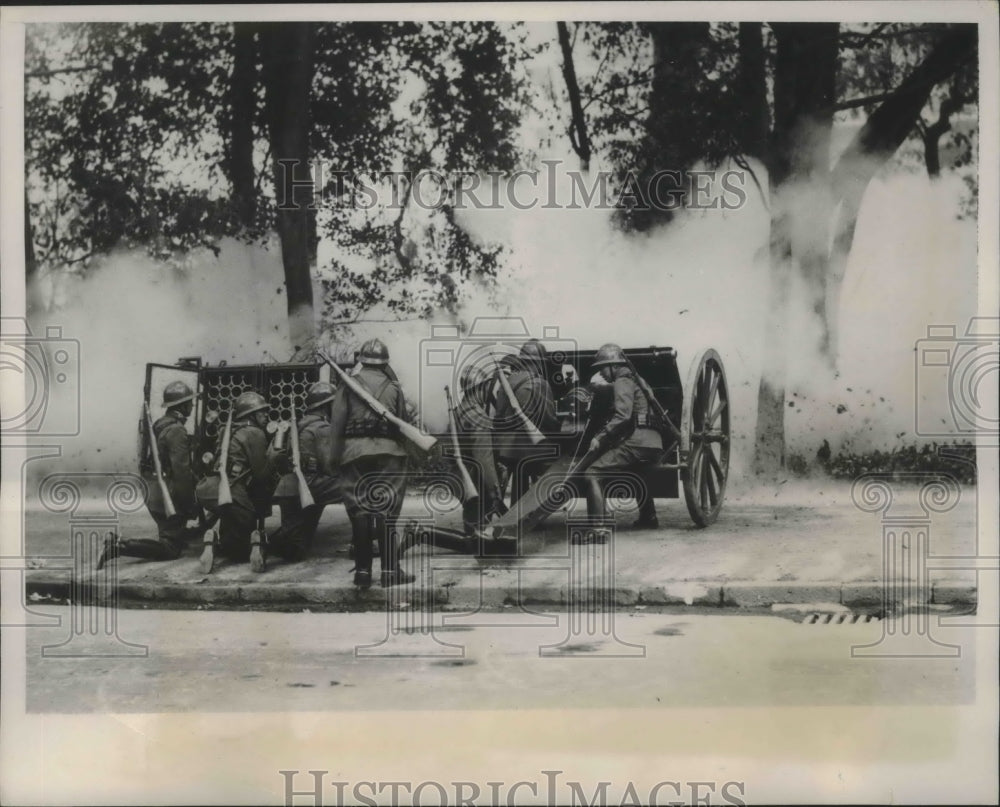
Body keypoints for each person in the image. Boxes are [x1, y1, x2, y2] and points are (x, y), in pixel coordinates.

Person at [330, 338, 415, 589]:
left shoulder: (348, 385)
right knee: (386, 511)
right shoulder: (394, 388)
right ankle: (390, 572)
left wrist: (333, 459)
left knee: (360, 510)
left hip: (355, 454)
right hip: (389, 454)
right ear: (385, 363)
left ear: (361, 361)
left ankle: (363, 573)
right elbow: (403, 424)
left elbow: (336, 426)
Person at [98, 381, 201, 569]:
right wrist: (189, 504)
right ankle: (119, 546)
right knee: (170, 548)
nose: (192, 406)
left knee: (174, 534)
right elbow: (182, 474)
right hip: (165, 494)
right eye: (190, 402)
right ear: (183, 405)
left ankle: (177, 535)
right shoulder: (177, 430)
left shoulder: (161, 424)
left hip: (152, 490)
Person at [580, 343, 664, 542]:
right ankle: (649, 516)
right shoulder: (637, 379)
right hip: (653, 442)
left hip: (638, 441)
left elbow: (623, 416)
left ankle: (598, 530)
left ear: (613, 366)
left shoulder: (622, 380)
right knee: (637, 470)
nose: (602, 373)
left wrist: (599, 437)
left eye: (603, 368)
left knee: (592, 473)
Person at [200, 391, 289, 573]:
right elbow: (262, 475)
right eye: (262, 412)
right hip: (233, 491)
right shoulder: (254, 433)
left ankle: (213, 538)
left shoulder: (227, 428)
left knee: (231, 520)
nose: (266, 415)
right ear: (252, 415)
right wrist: (274, 456)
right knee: (241, 546)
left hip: (208, 488)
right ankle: (251, 543)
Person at [267, 381, 342, 562]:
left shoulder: (295, 426)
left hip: (289, 487)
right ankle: (364, 541)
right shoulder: (322, 428)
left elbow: (273, 457)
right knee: (357, 486)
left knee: (296, 550)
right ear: (326, 407)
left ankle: (263, 543)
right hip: (310, 486)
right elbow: (331, 467)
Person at [493, 339, 559, 505]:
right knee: (562, 456)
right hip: (527, 449)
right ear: (538, 364)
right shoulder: (540, 383)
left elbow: (499, 413)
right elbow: (550, 420)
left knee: (522, 466)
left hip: (505, 449)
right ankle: (535, 506)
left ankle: (519, 508)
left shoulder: (506, 382)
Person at [453, 362, 505, 536]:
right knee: (479, 531)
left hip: (463, 478)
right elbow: (484, 459)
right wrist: (495, 492)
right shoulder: (477, 415)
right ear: (480, 388)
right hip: (476, 481)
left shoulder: (460, 410)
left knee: (473, 522)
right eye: (486, 386)